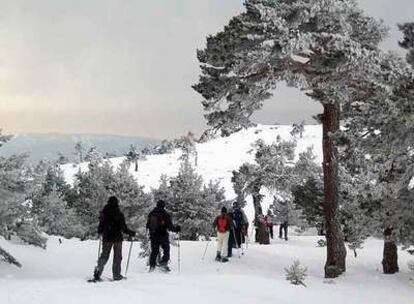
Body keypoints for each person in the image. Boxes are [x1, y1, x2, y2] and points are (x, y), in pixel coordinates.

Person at [93, 196, 136, 281]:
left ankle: (98, 272)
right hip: (117, 239)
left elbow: (100, 225)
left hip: (107, 238)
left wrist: (100, 232)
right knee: (117, 257)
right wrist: (131, 233)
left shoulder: (104, 213)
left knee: (104, 256)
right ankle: (116, 275)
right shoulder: (119, 214)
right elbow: (124, 228)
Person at [147, 200, 181, 272]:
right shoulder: (165, 214)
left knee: (154, 251)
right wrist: (177, 229)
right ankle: (163, 263)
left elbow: (147, 225)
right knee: (166, 250)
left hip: (153, 235)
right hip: (162, 235)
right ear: (163, 206)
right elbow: (170, 226)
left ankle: (152, 266)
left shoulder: (152, 213)